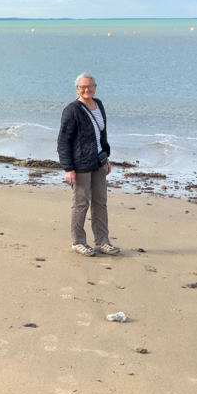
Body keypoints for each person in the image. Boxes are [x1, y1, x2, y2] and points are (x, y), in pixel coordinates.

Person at [57, 72, 119, 257]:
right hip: (80, 164)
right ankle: (78, 242)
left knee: (100, 202)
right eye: (82, 87)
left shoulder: (98, 104)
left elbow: (101, 135)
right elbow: (63, 141)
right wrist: (68, 168)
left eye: (90, 86)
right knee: (81, 203)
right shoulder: (72, 110)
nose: (86, 89)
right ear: (77, 89)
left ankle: (102, 241)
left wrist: (105, 157)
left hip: (98, 162)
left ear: (95, 87)